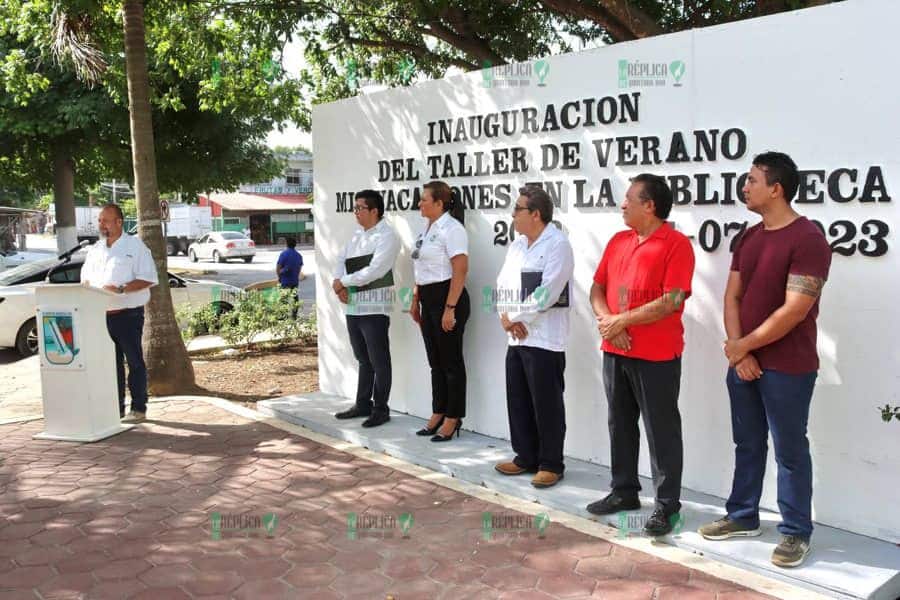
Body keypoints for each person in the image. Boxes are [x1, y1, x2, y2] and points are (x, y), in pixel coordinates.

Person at [699, 152, 831, 569]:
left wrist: (745, 347)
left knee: (790, 450)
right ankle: (743, 515)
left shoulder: (808, 238)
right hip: (744, 362)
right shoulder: (748, 237)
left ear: (776, 188)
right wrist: (739, 350)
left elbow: (796, 308)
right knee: (748, 443)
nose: (745, 186)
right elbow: (732, 296)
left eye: (752, 180)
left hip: (789, 367)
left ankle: (795, 532)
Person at [586, 174, 695, 537]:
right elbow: (597, 287)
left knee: (661, 430)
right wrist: (608, 321)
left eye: (630, 198)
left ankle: (667, 505)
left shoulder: (676, 244)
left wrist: (621, 320)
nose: (623, 204)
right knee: (620, 423)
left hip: (657, 356)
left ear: (650, 205)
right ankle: (624, 492)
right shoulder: (619, 240)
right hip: (615, 351)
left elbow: (673, 299)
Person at [493, 186, 574, 489]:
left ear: (536, 214)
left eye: (518, 209)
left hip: (544, 338)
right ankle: (525, 456)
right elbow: (502, 284)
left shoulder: (558, 245)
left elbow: (548, 292)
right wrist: (505, 317)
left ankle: (551, 463)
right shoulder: (517, 245)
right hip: (516, 336)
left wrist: (515, 318)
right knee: (519, 399)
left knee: (547, 403)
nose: (513, 215)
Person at [81, 204, 158, 422]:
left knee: (134, 362)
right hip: (100, 315)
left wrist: (122, 288)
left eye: (106, 220)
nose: (101, 224)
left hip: (127, 315)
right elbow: (85, 279)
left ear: (119, 222)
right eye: (99, 220)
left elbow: (149, 278)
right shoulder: (95, 249)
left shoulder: (135, 246)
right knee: (109, 364)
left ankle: (138, 408)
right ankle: (116, 411)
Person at [331, 190, 401, 428]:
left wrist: (344, 282)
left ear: (374, 210)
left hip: (374, 307)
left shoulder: (387, 236)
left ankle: (381, 408)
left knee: (379, 361)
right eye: (355, 208)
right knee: (363, 359)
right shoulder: (357, 235)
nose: (356, 212)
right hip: (353, 306)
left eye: (360, 208)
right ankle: (363, 404)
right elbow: (340, 260)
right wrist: (337, 282)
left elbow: (376, 270)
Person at [411, 181, 469, 442]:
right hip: (427, 298)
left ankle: (453, 417)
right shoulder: (426, 229)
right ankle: (438, 411)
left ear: (439, 203)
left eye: (424, 199)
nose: (420, 203)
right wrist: (415, 300)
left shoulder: (453, 229)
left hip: (447, 299)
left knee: (451, 363)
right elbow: (421, 268)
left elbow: (460, 269)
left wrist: (450, 308)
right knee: (435, 362)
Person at [276, 237, 304, 318]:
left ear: (286, 244)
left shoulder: (284, 254)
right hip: (294, 280)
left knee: (283, 299)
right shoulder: (299, 255)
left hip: (285, 280)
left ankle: (282, 316)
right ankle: (294, 315)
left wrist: (279, 277)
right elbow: (300, 267)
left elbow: (278, 267)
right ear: (295, 245)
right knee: (295, 297)